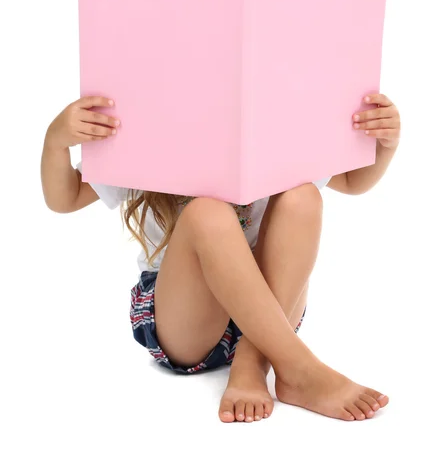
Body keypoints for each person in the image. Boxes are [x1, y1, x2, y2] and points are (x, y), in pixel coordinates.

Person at [41, 92, 400, 423]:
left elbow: (352, 182)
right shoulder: (146, 131)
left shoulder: (274, 128)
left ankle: (252, 361)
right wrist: (56, 141)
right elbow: (66, 197)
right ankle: (300, 367)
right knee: (205, 215)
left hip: (268, 314)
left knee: (303, 197)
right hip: (183, 319)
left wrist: (384, 144)